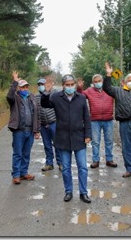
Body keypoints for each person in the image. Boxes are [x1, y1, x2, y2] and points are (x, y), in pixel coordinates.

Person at [41, 74, 92, 203]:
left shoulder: (81, 98)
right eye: (67, 85)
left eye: (72, 84)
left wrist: (88, 135)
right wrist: (46, 91)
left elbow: (86, 117)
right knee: (66, 168)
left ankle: (83, 192)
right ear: (63, 86)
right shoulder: (57, 97)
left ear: (74, 85)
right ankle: (68, 191)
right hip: (62, 138)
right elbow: (45, 104)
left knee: (83, 167)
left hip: (79, 137)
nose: (70, 87)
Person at [77, 74, 117, 169]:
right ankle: (95, 160)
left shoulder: (109, 90)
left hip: (108, 119)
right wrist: (79, 88)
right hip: (95, 120)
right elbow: (80, 96)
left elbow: (120, 94)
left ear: (102, 81)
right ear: (93, 83)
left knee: (109, 140)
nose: (97, 83)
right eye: (95, 81)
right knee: (95, 141)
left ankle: (109, 159)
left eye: (99, 81)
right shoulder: (89, 91)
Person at [7, 71, 40, 185]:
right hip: (19, 130)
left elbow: (37, 114)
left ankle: (24, 172)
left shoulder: (32, 97)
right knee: (18, 153)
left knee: (26, 153)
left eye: (26, 86)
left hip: (29, 130)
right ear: (18, 88)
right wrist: (15, 82)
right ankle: (16, 175)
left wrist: (36, 130)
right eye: (22, 87)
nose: (25, 89)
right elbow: (9, 96)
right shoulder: (14, 98)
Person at [35, 78, 62, 171]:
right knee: (47, 145)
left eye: (43, 84)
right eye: (39, 85)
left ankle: (60, 163)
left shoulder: (55, 94)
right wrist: (37, 127)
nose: (41, 86)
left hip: (54, 123)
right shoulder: (36, 97)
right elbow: (36, 112)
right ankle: (49, 163)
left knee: (57, 144)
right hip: (43, 124)